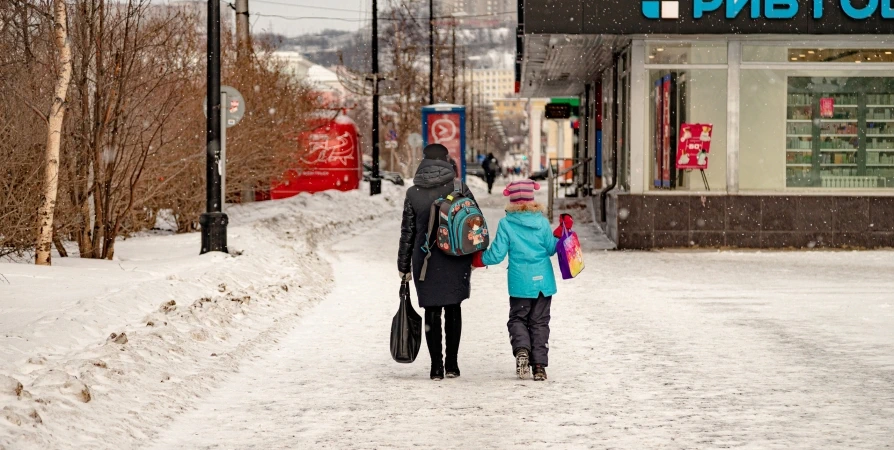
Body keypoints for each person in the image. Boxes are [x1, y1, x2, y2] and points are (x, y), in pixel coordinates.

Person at [472, 180, 573, 381]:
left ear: (512, 200)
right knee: (540, 323)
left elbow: (497, 254)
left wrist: (479, 259)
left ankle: (522, 350)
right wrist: (560, 233)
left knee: (518, 319)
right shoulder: (542, 222)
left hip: (520, 284)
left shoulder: (507, 224)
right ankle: (539, 367)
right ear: (531, 199)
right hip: (543, 283)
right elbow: (552, 248)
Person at [398, 144, 476, 381]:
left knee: (432, 311)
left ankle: (436, 367)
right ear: (446, 160)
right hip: (456, 255)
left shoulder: (413, 193)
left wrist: (403, 266)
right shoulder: (460, 187)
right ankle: (452, 364)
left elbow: (408, 232)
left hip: (425, 260)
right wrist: (474, 255)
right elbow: (474, 221)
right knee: (453, 308)